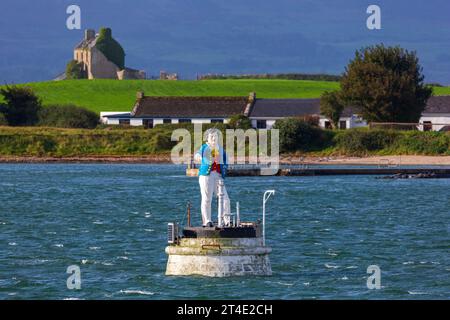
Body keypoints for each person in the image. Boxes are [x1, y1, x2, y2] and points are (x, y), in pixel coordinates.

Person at [194, 128, 230, 227]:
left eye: (216, 136)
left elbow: (226, 160)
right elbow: (197, 155)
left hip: (218, 175)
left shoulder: (221, 149)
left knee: (225, 198)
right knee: (206, 198)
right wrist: (200, 158)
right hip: (206, 175)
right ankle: (207, 220)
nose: (214, 138)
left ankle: (226, 220)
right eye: (212, 136)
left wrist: (225, 168)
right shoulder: (205, 147)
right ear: (208, 138)